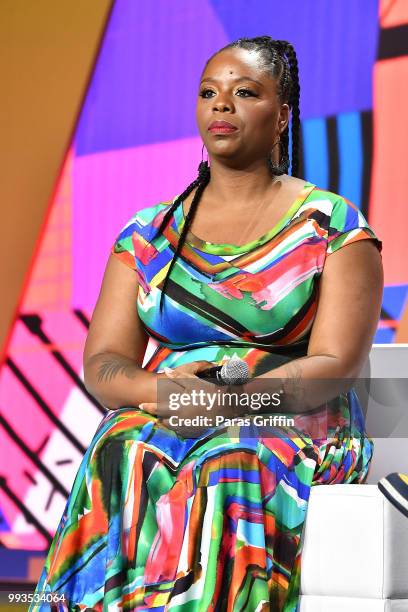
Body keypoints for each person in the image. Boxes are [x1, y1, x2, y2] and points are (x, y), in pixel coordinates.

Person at [29, 36, 383, 611]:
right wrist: (166, 394)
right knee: (121, 446)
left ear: (281, 118)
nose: (222, 105)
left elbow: (334, 366)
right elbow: (104, 362)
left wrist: (234, 405)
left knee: (229, 457)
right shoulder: (148, 234)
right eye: (209, 93)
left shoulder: (333, 225)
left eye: (245, 93)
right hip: (172, 413)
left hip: (294, 421)